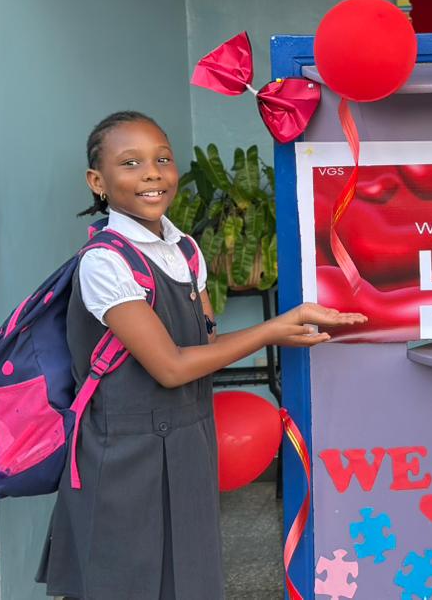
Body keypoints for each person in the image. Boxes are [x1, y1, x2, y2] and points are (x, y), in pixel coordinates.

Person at [37, 111, 366, 599]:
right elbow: (171, 367)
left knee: (188, 580)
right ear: (97, 182)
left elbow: (206, 348)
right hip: (124, 454)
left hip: (188, 441)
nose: (152, 174)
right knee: (123, 583)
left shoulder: (185, 250)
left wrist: (282, 331)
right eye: (130, 163)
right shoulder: (105, 261)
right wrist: (271, 328)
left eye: (162, 159)